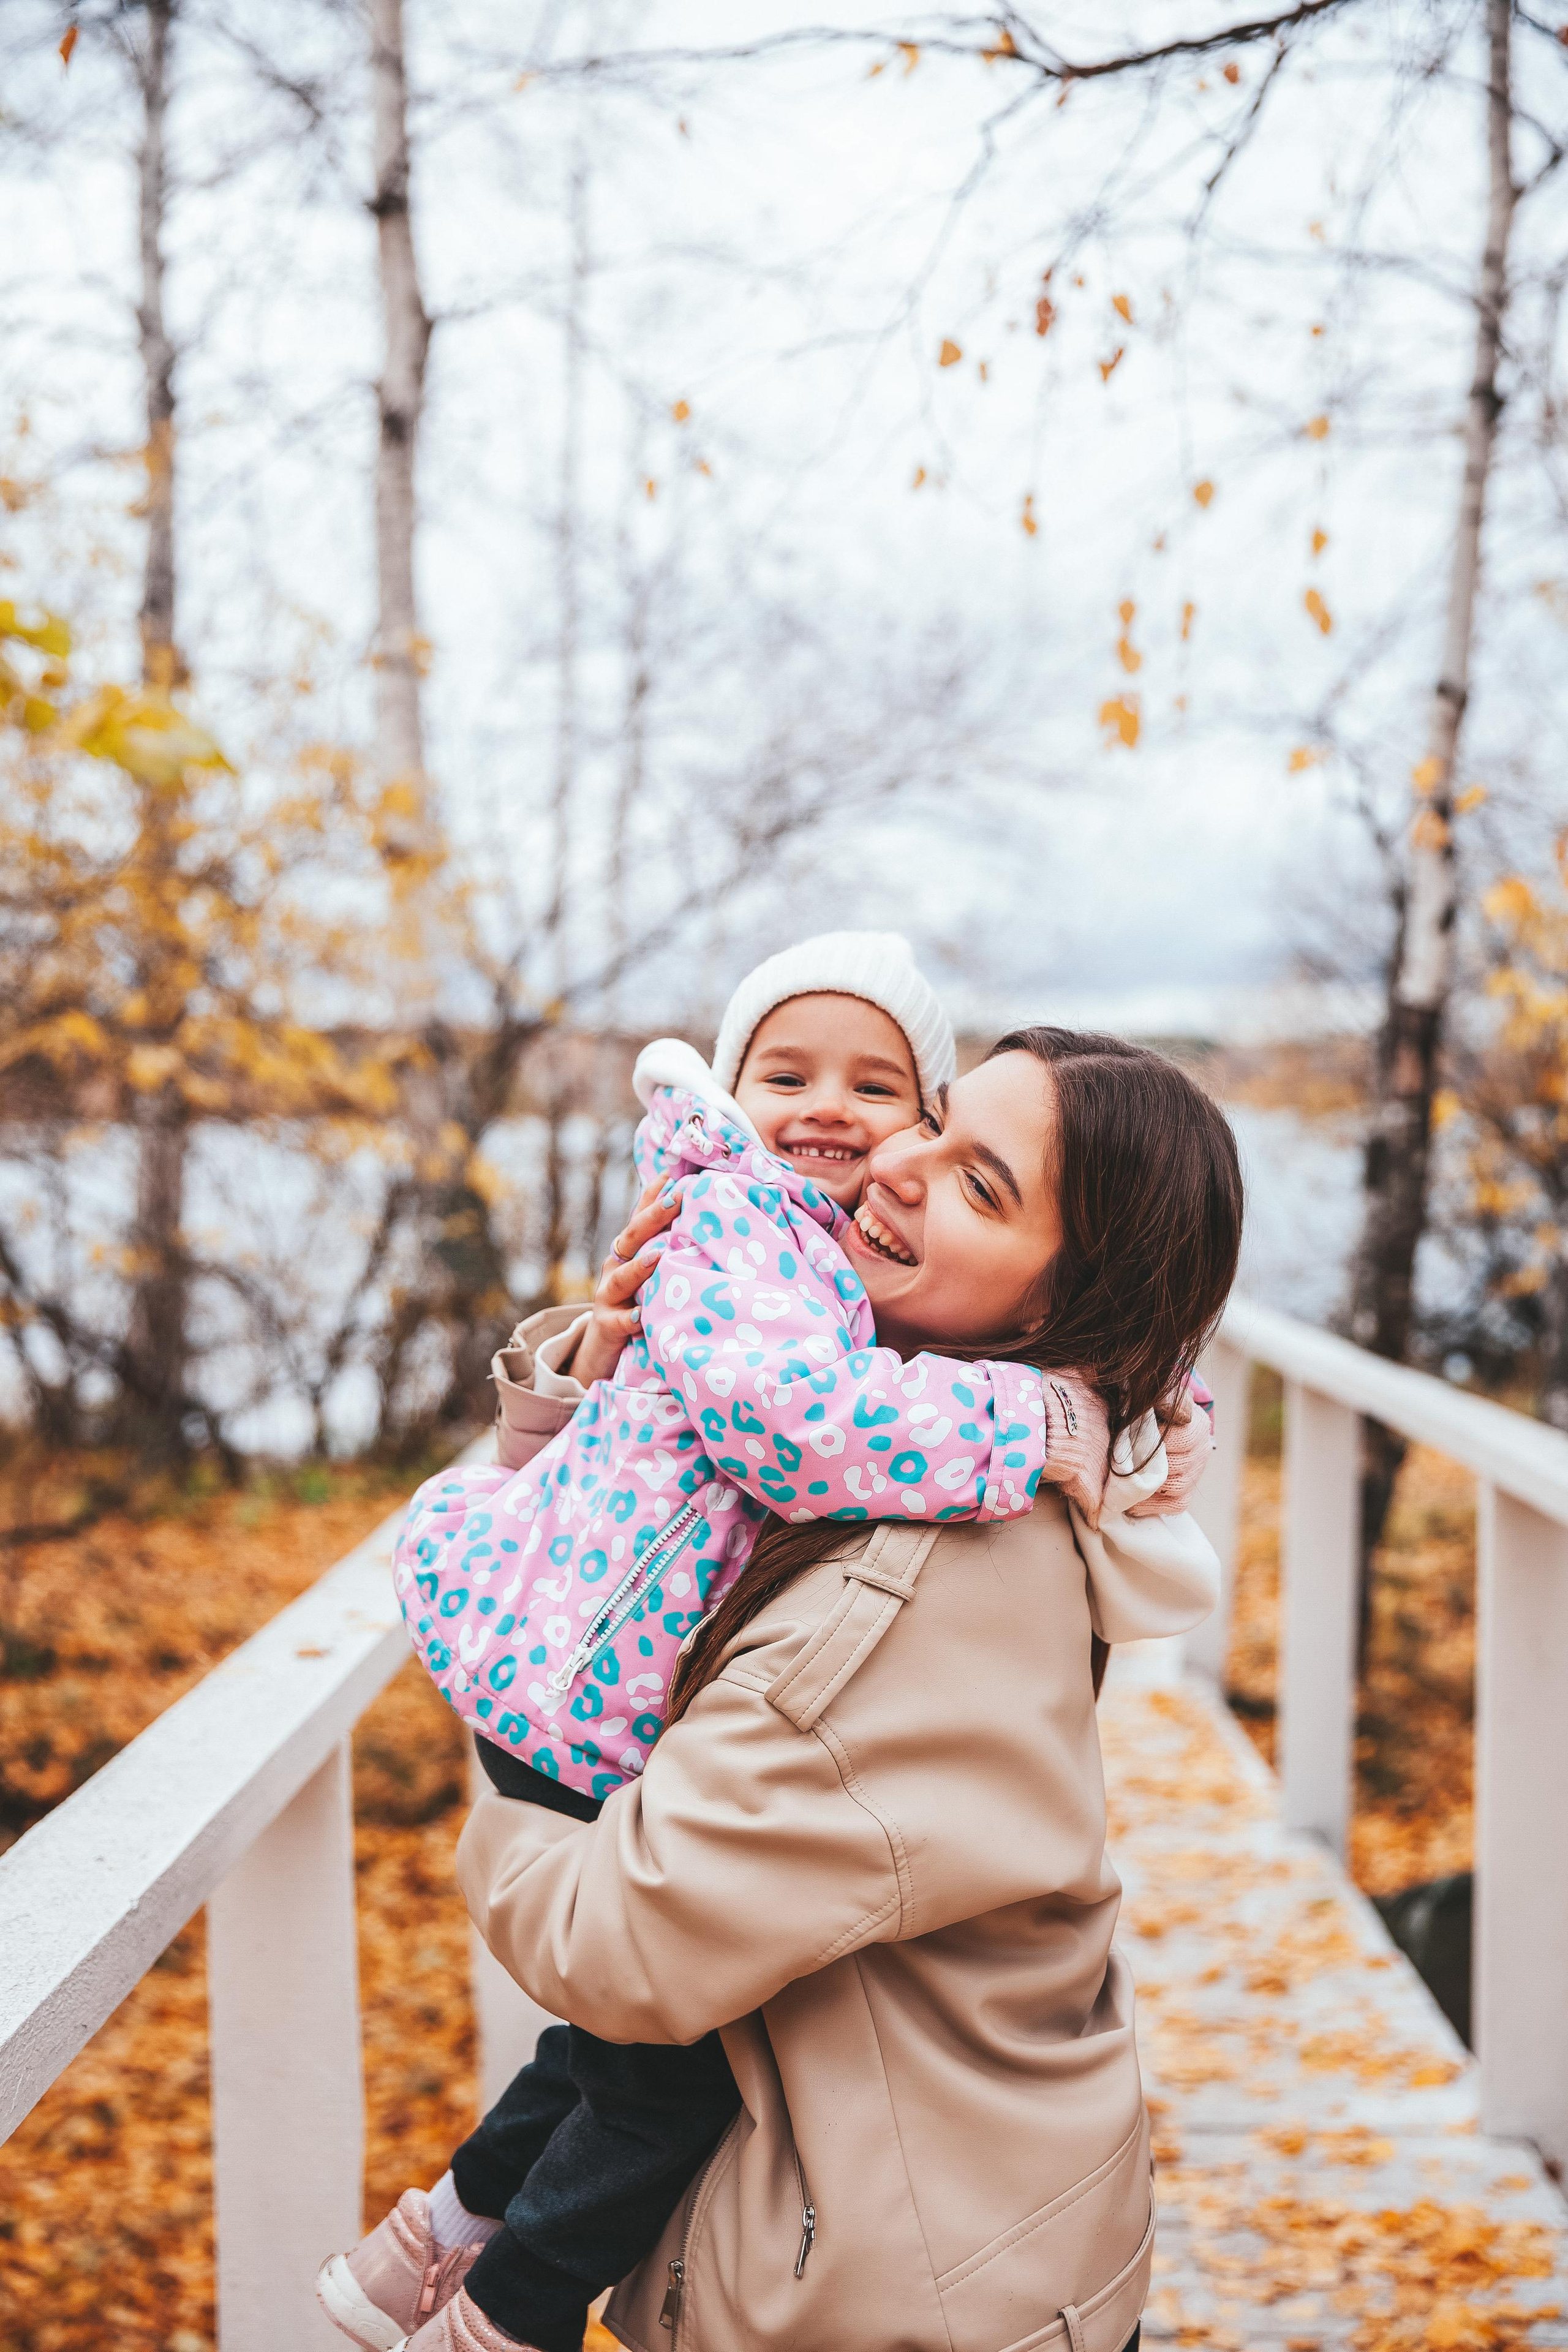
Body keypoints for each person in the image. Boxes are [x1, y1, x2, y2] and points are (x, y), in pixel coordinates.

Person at [321, 970, 1224, 2352]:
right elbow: (709, 1495)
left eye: (978, 1186)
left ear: (1076, 1298)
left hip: (900, 2275)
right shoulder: (939, 1439)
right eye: (936, 1121)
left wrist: (503, 1821)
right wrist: (612, 1373)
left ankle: (488, 2304)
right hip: (967, 2216)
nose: (890, 1160)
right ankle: (447, 2250)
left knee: (635, 2067)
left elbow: (619, 1943)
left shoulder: (924, 1567)